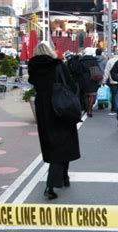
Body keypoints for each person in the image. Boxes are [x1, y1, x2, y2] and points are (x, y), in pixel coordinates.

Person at [28, 43, 80, 200]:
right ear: (50, 52)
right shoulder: (57, 64)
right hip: (60, 106)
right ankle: (51, 185)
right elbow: (70, 84)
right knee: (64, 143)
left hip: (43, 109)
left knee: (52, 143)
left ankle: (64, 176)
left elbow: (33, 84)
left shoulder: (33, 67)